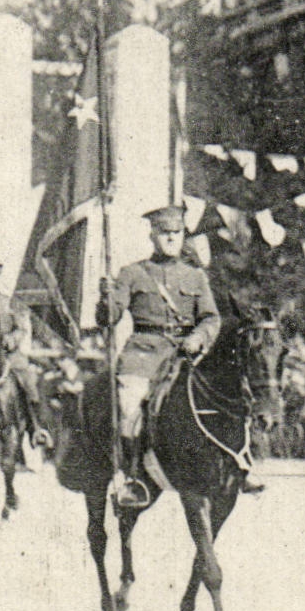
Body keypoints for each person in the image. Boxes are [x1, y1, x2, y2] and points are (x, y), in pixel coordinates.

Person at [96, 205, 221, 509]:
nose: (170, 239)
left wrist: (198, 337)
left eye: (176, 233)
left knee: (221, 398)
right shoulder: (133, 273)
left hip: (185, 355)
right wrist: (106, 298)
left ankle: (238, 465)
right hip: (144, 354)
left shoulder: (195, 277)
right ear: (152, 236)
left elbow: (211, 318)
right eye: (164, 233)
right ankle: (133, 478)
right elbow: (109, 317)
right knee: (130, 410)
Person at [0, 262, 52, 450]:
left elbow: (22, 328)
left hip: (9, 355)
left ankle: (37, 429)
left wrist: (11, 339)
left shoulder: (12, 301)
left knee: (28, 383)